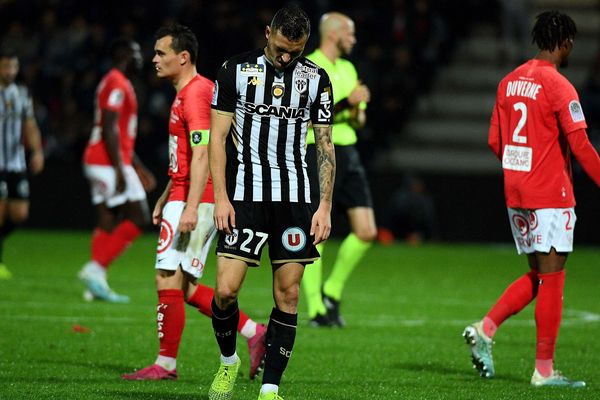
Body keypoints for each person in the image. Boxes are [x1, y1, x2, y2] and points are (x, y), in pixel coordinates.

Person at [122, 23, 267, 381]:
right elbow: (185, 155)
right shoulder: (185, 92)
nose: (154, 59)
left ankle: (166, 364)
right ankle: (254, 332)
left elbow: (203, 154)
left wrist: (188, 206)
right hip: (184, 194)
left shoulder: (198, 93)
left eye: (161, 53)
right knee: (182, 287)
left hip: (196, 199)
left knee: (166, 279)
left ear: (183, 57)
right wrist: (165, 196)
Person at [463, 11, 600, 387]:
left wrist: (520, 170)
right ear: (566, 42)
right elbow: (581, 145)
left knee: (541, 274)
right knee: (553, 279)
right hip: (550, 196)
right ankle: (544, 370)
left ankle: (486, 328)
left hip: (518, 195)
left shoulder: (508, 83)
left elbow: (495, 141)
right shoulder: (559, 86)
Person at [208, 5, 335, 400]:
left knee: (290, 293)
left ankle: (269, 388)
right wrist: (220, 198)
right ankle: (229, 362)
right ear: (268, 32)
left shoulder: (317, 79)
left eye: (295, 51)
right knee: (226, 291)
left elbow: (325, 145)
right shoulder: (234, 70)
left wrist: (325, 205)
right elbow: (217, 138)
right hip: (244, 196)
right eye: (281, 47)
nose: (286, 57)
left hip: (294, 200)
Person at [302, 12, 377, 327]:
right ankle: (316, 308)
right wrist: (348, 103)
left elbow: (357, 118)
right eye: (351, 33)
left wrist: (359, 106)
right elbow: (307, 116)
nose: (354, 39)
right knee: (316, 231)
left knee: (366, 230)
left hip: (348, 150)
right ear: (333, 34)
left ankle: (331, 290)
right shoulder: (309, 67)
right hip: (316, 151)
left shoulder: (348, 68)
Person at [78, 38, 156, 302]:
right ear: (122, 54)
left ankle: (95, 284)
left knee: (108, 219)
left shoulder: (117, 81)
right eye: (135, 52)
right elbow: (110, 126)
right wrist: (122, 170)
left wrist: (138, 167)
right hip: (106, 160)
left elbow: (120, 132)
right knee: (139, 216)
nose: (140, 58)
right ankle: (95, 268)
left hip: (105, 158)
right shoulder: (117, 82)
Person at [0, 50, 44, 280]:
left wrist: (36, 151)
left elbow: (30, 124)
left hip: (15, 163)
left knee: (19, 214)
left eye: (13, 67)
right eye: (6, 67)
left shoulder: (22, 94)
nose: (10, 72)